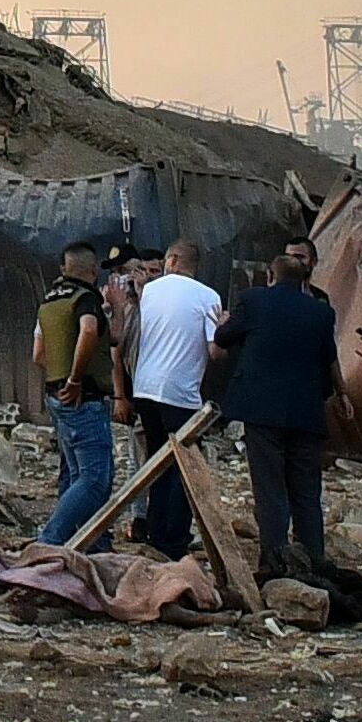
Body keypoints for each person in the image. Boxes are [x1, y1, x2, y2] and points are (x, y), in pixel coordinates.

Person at [212, 233, 341, 581]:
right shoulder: (321, 312)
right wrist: (342, 396)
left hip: (262, 411)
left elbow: (223, 340)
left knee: (270, 489)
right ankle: (313, 558)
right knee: (306, 491)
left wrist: (224, 323)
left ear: (270, 277)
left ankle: (274, 563)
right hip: (306, 412)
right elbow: (330, 359)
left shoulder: (253, 300)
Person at [121, 240, 222, 560]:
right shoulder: (209, 297)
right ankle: (173, 539)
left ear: (174, 260)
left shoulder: (150, 291)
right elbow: (214, 352)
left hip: (145, 389)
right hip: (181, 393)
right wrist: (223, 329)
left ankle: (154, 530)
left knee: (157, 461)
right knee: (183, 466)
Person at [30, 239, 114, 548]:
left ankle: (94, 543)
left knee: (78, 474)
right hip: (83, 398)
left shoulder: (50, 301)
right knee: (94, 479)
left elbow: (38, 355)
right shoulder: (85, 299)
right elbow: (90, 331)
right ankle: (51, 541)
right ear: (94, 271)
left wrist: (61, 377)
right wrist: (75, 379)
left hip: (56, 397)